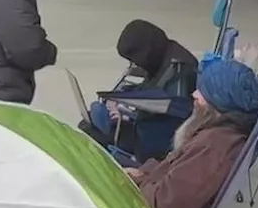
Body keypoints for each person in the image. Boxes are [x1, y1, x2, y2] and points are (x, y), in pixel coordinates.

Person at [125, 59, 258, 208]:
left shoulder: (212, 148)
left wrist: (135, 184)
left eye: (203, 92)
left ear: (220, 102)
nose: (194, 94)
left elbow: (164, 205)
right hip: (154, 188)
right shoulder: (218, 132)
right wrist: (143, 173)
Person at [82, 19, 200, 161]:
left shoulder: (179, 71)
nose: (135, 64)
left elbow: (166, 111)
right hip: (150, 125)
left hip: (155, 139)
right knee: (90, 123)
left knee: (90, 131)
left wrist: (126, 112)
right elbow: (152, 92)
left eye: (135, 59)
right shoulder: (164, 55)